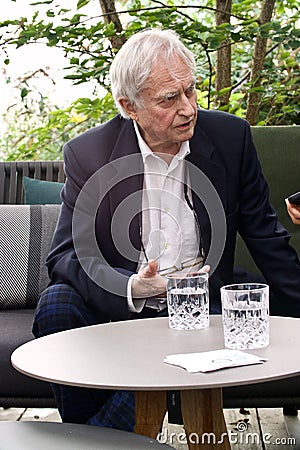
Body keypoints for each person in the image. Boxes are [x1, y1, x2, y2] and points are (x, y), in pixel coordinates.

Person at [33, 28, 300, 430]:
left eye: (191, 91)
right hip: (120, 303)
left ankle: (94, 439)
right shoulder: (89, 154)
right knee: (56, 305)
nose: (189, 108)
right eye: (169, 99)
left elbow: (265, 235)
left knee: (216, 326)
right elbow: (65, 256)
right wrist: (131, 287)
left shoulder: (229, 138)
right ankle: (98, 430)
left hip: (200, 302)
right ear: (130, 106)